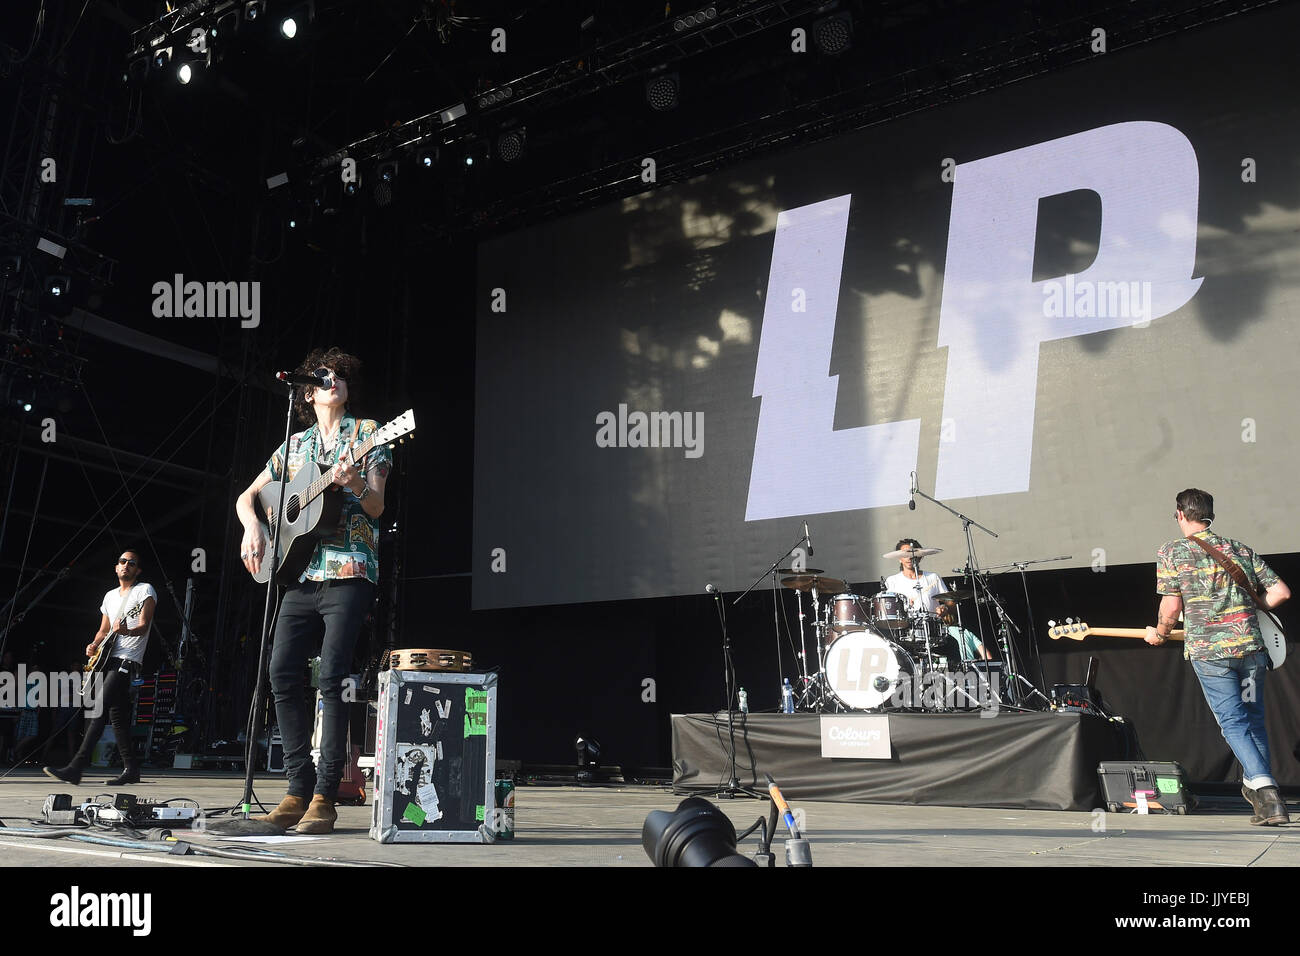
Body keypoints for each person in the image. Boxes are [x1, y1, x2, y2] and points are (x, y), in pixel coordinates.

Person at [236, 348, 390, 834]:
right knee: (281, 672)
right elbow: (246, 496)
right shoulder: (293, 445)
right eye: (325, 377)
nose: (334, 381)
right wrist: (254, 528)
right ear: (307, 392)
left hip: (349, 569)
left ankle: (325, 793)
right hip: (298, 574)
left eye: (341, 376)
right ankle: (295, 788)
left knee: (331, 676)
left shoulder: (370, 434)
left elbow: (378, 507)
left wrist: (354, 485)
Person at [1144, 489, 1290, 826]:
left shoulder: (1173, 551)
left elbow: (1172, 606)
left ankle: (1268, 792)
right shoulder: (1238, 548)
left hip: (1211, 655)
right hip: (1252, 651)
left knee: (1233, 723)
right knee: (1253, 720)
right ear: (1209, 514)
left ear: (1181, 514)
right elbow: (1281, 592)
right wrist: (1252, 613)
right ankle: (1264, 802)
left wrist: (1159, 633)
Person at [44, 551, 156, 786]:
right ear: (116, 568)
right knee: (117, 718)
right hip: (108, 658)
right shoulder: (109, 597)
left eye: (132, 563)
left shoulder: (144, 590)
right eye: (123, 562)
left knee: (99, 707)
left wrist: (127, 630)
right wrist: (94, 644)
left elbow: (144, 626)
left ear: (138, 570)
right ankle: (132, 769)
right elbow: (103, 630)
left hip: (128, 658)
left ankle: (76, 767)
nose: (126, 565)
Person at [884, 539, 949, 612]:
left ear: (920, 557)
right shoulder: (892, 580)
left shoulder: (933, 577)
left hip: (932, 622)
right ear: (900, 558)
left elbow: (949, 602)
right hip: (904, 623)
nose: (909, 558)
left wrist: (944, 608)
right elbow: (889, 609)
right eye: (905, 555)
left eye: (913, 555)